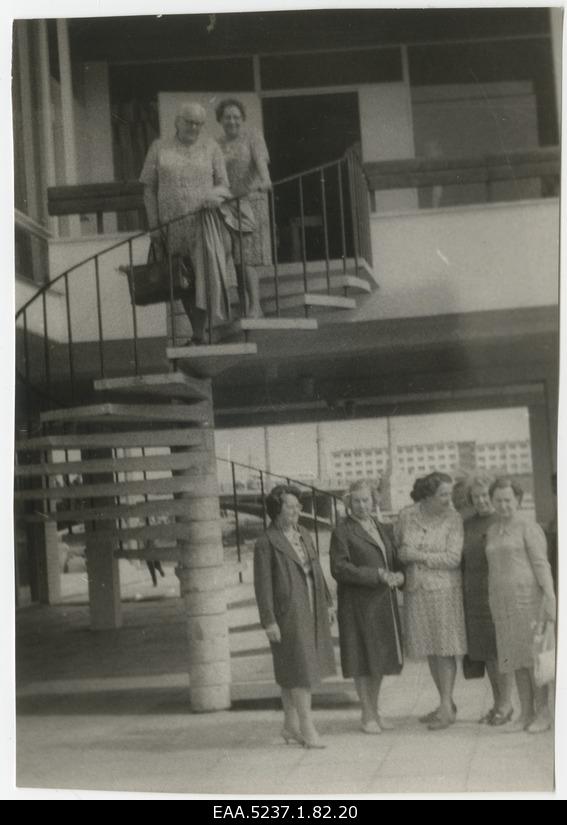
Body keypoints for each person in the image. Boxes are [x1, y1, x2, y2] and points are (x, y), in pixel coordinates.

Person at [140, 101, 233, 344]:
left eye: (199, 123)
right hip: (170, 225)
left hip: (202, 224)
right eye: (189, 122)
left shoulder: (211, 147)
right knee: (182, 279)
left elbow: (224, 185)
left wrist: (215, 195)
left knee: (201, 277)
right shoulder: (159, 147)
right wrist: (153, 226)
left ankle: (199, 334)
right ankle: (198, 334)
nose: (194, 127)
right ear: (177, 122)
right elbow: (148, 188)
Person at [254, 485, 336, 749]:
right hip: (287, 612)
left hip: (312, 606)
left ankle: (290, 726)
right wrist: (269, 621)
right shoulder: (266, 542)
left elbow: (317, 570)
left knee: (293, 669)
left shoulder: (303, 534)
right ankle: (307, 726)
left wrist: (328, 602)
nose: (297, 511)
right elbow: (262, 585)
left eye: (298, 507)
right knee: (300, 670)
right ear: (277, 509)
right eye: (290, 507)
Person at [330, 480, 404, 734]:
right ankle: (367, 714)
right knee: (362, 659)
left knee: (378, 658)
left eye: (366, 500)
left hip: (382, 602)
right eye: (357, 501)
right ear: (349, 503)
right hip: (357, 604)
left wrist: (399, 576)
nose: (362, 506)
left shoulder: (382, 528)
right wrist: (377, 575)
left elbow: (392, 560)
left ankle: (375, 709)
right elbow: (339, 568)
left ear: (374, 501)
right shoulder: (342, 531)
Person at [395, 472, 467, 730]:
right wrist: (410, 556)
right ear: (427, 495)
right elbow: (400, 551)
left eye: (449, 493)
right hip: (417, 590)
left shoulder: (454, 519)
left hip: (445, 591)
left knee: (445, 649)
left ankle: (447, 707)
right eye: (443, 495)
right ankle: (444, 703)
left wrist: (419, 555)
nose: (449, 499)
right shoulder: (406, 516)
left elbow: (453, 558)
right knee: (430, 649)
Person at [485, 477, 556, 733]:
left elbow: (541, 564)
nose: (503, 505)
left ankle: (543, 713)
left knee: (533, 659)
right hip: (502, 604)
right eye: (498, 500)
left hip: (528, 601)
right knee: (514, 659)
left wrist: (550, 598)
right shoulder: (493, 530)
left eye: (508, 500)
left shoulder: (529, 527)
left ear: (518, 500)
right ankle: (525, 713)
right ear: (492, 501)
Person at [462, 475, 514, 725]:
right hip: (474, 599)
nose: (481, 501)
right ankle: (497, 704)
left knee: (501, 653)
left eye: (485, 496)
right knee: (487, 655)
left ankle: (506, 705)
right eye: (476, 497)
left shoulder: (503, 522)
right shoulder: (467, 524)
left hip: (498, 596)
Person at [216, 98, 272, 318]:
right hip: (227, 204)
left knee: (246, 257)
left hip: (250, 201)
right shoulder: (215, 144)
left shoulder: (253, 137)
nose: (232, 121)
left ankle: (255, 306)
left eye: (236, 117)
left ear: (243, 119)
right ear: (220, 119)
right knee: (236, 259)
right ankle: (243, 304)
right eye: (228, 117)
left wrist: (265, 180)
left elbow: (261, 163)